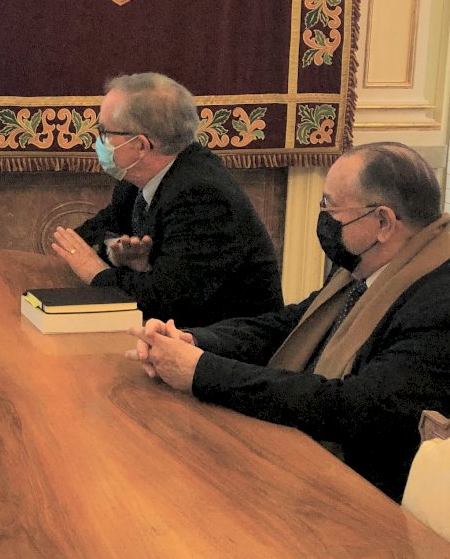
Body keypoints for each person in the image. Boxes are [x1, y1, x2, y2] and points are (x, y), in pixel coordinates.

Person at [129, 143, 450, 501]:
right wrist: (193, 341)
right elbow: (288, 325)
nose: (323, 216)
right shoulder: (367, 268)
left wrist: (203, 372)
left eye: (330, 206)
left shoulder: (438, 302)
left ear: (383, 223)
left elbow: (353, 407)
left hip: (367, 498)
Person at [52, 73, 282, 326]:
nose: (98, 141)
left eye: (104, 132)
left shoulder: (202, 196)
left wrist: (98, 273)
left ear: (141, 146)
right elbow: (85, 239)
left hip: (225, 345)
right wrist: (114, 255)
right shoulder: (136, 180)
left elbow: (165, 302)